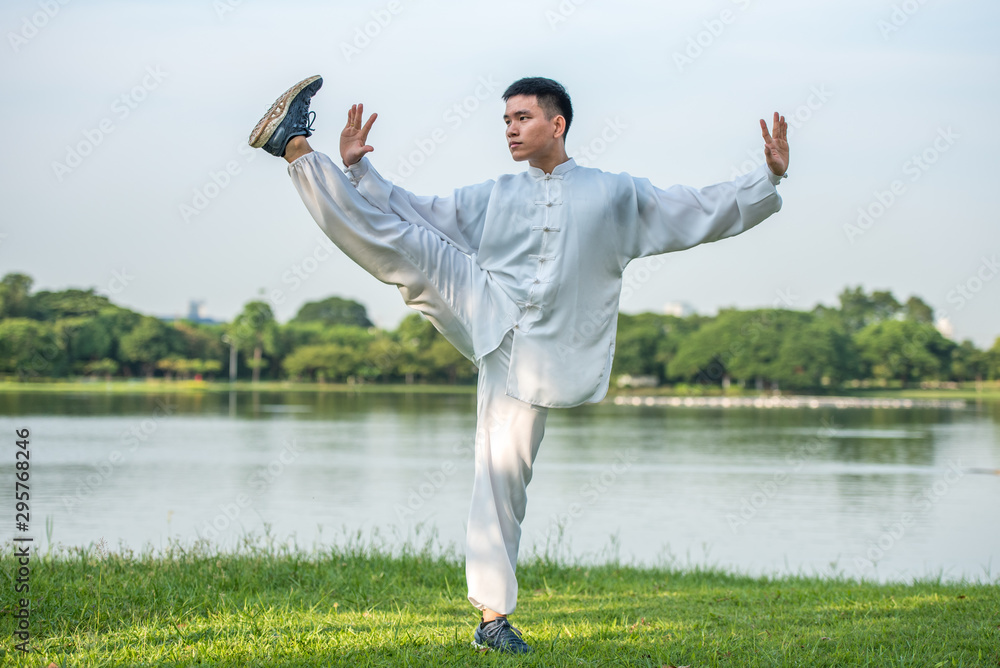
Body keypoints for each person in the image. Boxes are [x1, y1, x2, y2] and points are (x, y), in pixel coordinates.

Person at [248, 74, 789, 654]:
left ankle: (491, 620)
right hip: (480, 300)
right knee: (396, 241)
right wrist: (360, 171)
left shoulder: (615, 194)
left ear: (556, 124)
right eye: (506, 120)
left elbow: (696, 208)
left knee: (504, 475)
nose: (510, 128)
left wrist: (769, 178)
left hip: (538, 356)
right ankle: (296, 147)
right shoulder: (495, 194)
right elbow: (419, 211)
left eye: (522, 118)